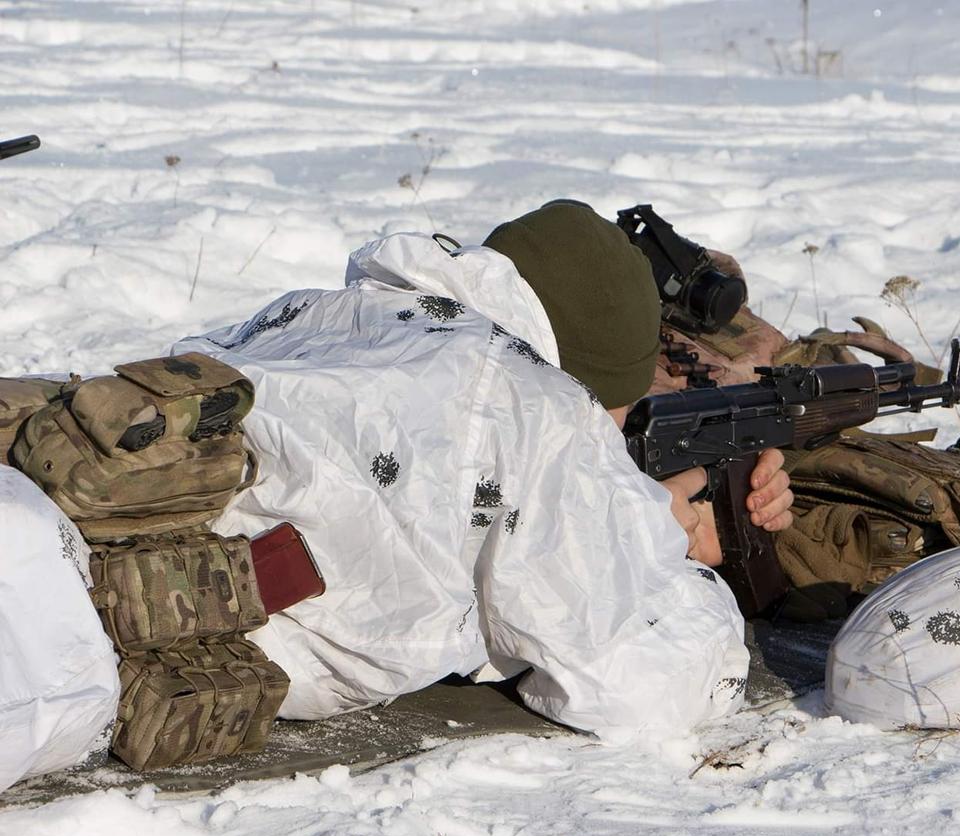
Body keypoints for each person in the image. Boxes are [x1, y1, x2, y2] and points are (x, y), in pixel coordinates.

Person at [171, 202, 793, 736]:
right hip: (192, 641)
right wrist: (665, 546)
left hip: (120, 526)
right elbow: (644, 686)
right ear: (593, 381)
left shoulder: (327, 311)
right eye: (619, 416)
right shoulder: (538, 409)